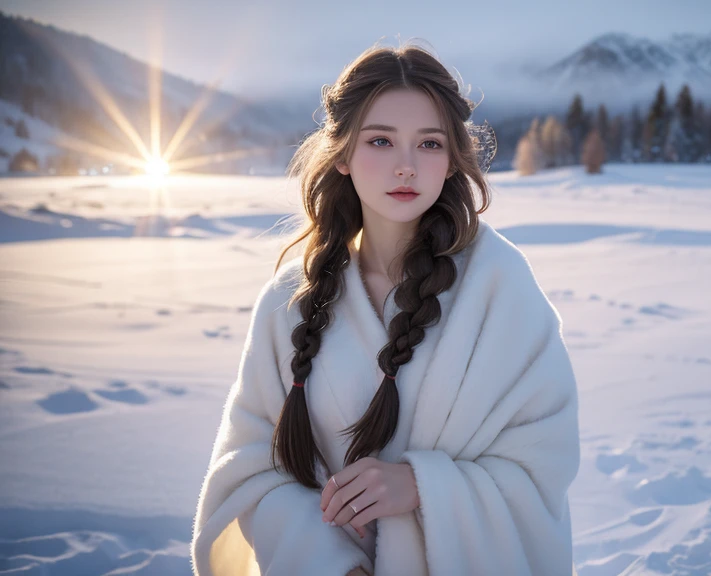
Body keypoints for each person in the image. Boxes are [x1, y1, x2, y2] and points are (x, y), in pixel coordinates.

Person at [189, 41, 581, 576]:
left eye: (429, 143)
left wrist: (422, 486)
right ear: (344, 155)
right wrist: (331, 564)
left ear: (451, 160)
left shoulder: (501, 288)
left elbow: (543, 463)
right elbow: (251, 471)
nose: (406, 166)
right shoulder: (289, 303)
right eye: (380, 140)